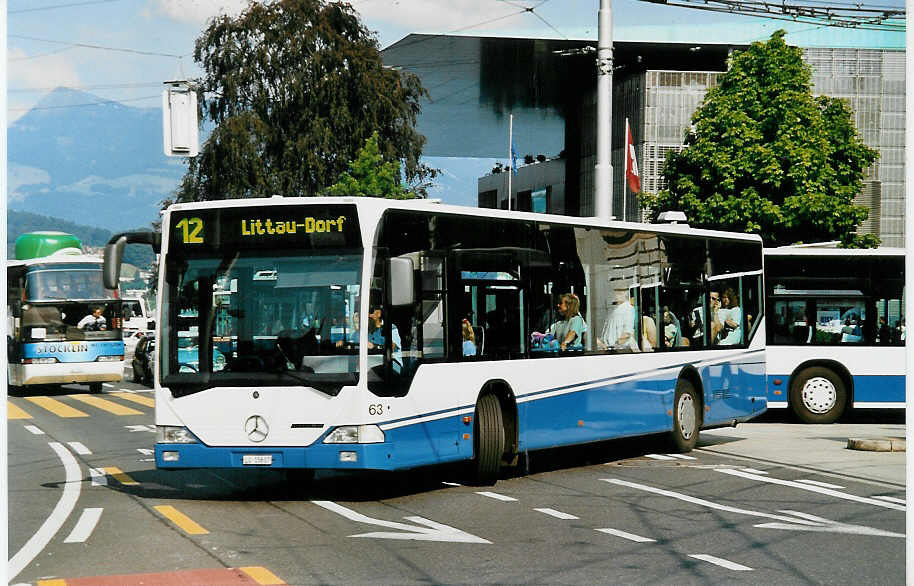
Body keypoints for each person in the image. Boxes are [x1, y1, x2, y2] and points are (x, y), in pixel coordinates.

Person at [367, 306, 402, 373]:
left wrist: (375, 346)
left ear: (379, 313)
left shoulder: (391, 327)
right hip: (372, 362)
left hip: (392, 363)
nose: (368, 315)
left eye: (371, 312)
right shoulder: (368, 329)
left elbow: (393, 347)